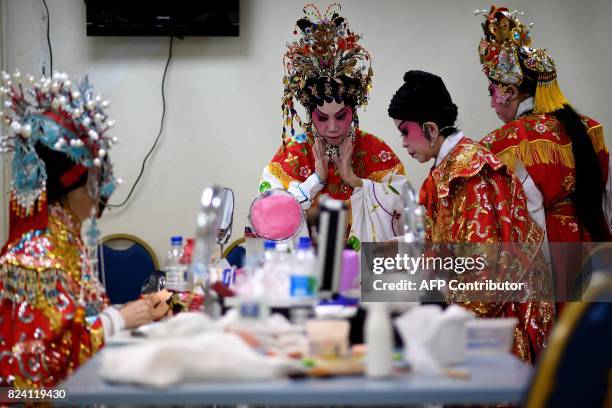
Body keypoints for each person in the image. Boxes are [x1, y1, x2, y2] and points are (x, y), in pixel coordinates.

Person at [0, 71, 164, 387]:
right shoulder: (34, 259)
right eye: (93, 180)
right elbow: (36, 364)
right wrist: (118, 320)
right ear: (69, 185)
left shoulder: (65, 240)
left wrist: (134, 312)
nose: (102, 191)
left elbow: (78, 320)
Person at [388, 70, 553, 363]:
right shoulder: (450, 168)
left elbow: (485, 274)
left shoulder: (472, 174)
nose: (402, 142)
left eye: (404, 131)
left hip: (501, 320)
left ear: (429, 129)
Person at [475, 7, 612, 299]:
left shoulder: (508, 140)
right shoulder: (587, 127)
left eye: (492, 93)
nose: (492, 105)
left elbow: (525, 213)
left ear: (509, 92)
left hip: (551, 252)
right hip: (594, 248)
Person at [259, 4, 407, 248]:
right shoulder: (292, 156)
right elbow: (267, 217)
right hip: (305, 277)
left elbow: (405, 211)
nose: (332, 128)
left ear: (353, 111)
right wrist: (315, 180)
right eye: (322, 118)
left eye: (341, 116)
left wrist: (356, 182)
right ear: (310, 116)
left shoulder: (375, 152)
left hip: (362, 276)